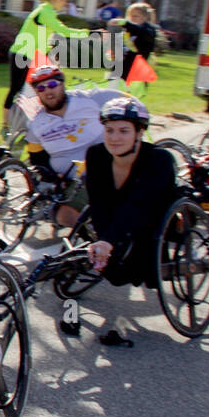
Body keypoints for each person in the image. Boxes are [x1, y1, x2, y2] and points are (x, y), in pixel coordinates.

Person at [83, 97, 177, 288]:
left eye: (123, 131)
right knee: (115, 274)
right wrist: (103, 241)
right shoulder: (95, 154)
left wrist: (109, 242)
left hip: (151, 223)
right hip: (115, 220)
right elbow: (97, 202)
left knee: (132, 273)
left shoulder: (160, 159)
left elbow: (140, 204)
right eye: (109, 130)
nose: (114, 138)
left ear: (139, 133)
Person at [22, 63, 123, 227]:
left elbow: (128, 101)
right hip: (70, 179)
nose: (48, 91)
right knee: (62, 216)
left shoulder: (89, 99)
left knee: (66, 216)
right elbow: (37, 157)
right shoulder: (36, 124)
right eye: (41, 88)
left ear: (62, 84)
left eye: (52, 84)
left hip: (101, 169)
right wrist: (52, 177)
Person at [5, 0, 92, 109]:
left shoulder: (47, 11)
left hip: (32, 55)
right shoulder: (45, 12)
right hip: (22, 54)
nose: (64, 3)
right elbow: (64, 31)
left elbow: (43, 37)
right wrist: (90, 33)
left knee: (43, 84)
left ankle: (42, 114)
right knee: (17, 89)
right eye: (62, 0)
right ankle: (6, 125)